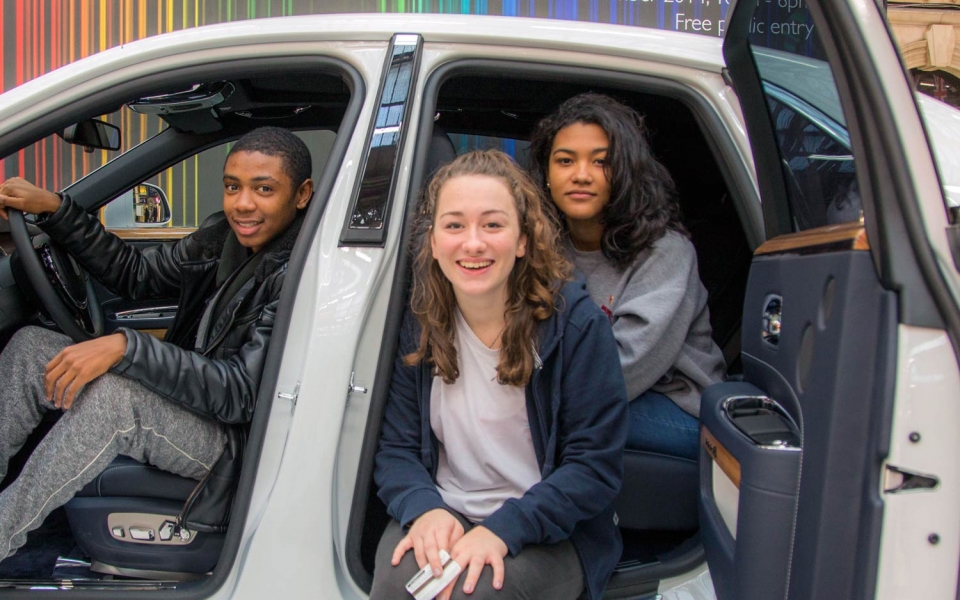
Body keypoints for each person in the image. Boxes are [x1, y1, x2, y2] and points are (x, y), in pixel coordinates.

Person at [0, 126, 313, 562]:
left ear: (301, 195)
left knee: (114, 400)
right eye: (232, 187)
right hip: (198, 400)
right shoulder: (223, 236)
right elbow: (138, 276)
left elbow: (242, 394)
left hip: (240, 441)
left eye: (264, 189)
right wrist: (57, 210)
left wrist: (127, 348)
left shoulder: (301, 270)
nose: (243, 203)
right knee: (31, 347)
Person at [371, 149, 627, 600]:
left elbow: (593, 467)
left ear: (523, 239)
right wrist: (424, 509)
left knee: (479, 594)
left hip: (546, 528)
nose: (473, 243)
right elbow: (396, 448)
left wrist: (505, 529)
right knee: (399, 587)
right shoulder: (418, 323)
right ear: (433, 242)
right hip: (448, 509)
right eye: (454, 225)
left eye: (492, 224)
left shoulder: (578, 326)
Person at [529, 93, 726, 461]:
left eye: (602, 162)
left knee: (531, 421)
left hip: (674, 405)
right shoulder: (542, 246)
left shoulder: (664, 251)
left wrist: (526, 394)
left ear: (626, 171)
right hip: (583, 388)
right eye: (565, 160)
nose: (581, 175)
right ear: (547, 174)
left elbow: (625, 371)